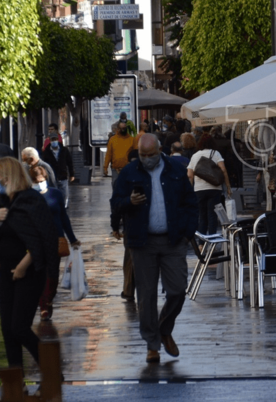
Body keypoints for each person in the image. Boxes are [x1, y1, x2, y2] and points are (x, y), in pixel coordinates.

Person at [110, 134, 198, 364]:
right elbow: (115, 203)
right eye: (143, 155)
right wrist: (129, 202)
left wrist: (187, 233)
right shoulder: (129, 172)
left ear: (160, 150)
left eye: (150, 155)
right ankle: (152, 345)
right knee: (146, 295)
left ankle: (164, 328)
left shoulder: (175, 170)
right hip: (142, 242)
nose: (147, 159)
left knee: (178, 289)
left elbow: (190, 202)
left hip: (173, 240)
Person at [0, 157, 59, 377]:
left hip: (29, 271)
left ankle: (52, 370)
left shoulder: (30, 200)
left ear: (8, 178)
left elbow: (42, 239)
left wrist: (23, 266)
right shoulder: (2, 202)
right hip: (7, 269)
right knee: (7, 329)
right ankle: (16, 381)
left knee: (19, 327)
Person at [28, 166, 80, 320]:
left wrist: (72, 238)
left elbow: (64, 217)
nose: (39, 184)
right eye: (36, 181)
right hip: (36, 240)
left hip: (56, 239)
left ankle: (48, 299)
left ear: (46, 179)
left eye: (41, 180)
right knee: (39, 273)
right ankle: (43, 305)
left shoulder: (56, 194)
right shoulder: (28, 195)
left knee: (53, 274)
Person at [187, 135, 232, 236]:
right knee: (212, 215)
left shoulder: (195, 155)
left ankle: (201, 242)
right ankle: (212, 240)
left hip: (199, 190)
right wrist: (228, 186)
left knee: (202, 216)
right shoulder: (216, 153)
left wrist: (190, 190)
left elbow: (190, 175)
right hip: (214, 189)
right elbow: (223, 170)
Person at [112, 150, 140, 302]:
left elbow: (115, 205)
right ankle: (135, 290)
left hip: (131, 224)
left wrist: (115, 226)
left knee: (130, 259)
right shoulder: (147, 175)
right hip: (136, 224)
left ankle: (129, 290)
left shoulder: (123, 177)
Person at [41, 132, 76, 208]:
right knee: (54, 193)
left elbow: (69, 163)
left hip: (63, 175)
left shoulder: (64, 150)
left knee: (64, 194)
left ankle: (64, 206)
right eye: (52, 139)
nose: (54, 141)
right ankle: (56, 207)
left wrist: (72, 174)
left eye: (55, 139)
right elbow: (44, 165)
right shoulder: (46, 152)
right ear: (50, 140)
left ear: (58, 140)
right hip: (52, 177)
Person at [104, 119, 138, 187]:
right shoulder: (112, 140)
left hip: (128, 169)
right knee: (115, 186)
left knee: (128, 187)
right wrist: (105, 167)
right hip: (115, 169)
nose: (123, 129)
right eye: (121, 128)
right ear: (118, 129)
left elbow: (136, 154)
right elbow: (109, 154)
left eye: (124, 128)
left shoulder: (132, 140)